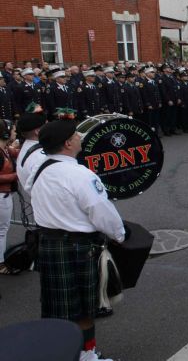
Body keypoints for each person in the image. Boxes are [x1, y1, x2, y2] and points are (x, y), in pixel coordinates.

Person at [32, 119, 126, 361]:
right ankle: (86, 356)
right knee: (84, 310)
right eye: (75, 135)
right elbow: (101, 212)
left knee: (58, 310)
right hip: (77, 248)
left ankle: (63, 353)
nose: (79, 138)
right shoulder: (80, 174)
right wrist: (119, 235)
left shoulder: (40, 169)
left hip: (49, 244)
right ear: (67, 143)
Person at [0, 120, 19, 275]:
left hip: (4, 195)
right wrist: (16, 176)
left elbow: (18, 152)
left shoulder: (5, 149)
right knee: (2, 230)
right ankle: (0, 264)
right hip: (2, 195)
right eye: (13, 130)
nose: (15, 132)